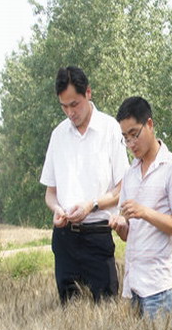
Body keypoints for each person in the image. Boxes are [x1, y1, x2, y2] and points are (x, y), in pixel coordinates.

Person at [40, 66, 130, 303]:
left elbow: (123, 188)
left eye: (75, 104)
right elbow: (50, 193)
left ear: (88, 93)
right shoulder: (58, 135)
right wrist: (57, 209)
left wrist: (91, 205)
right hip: (64, 240)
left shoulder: (111, 129)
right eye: (64, 106)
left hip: (97, 235)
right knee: (70, 314)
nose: (70, 112)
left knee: (107, 311)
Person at [111, 97, 172, 318]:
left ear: (150, 124)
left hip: (159, 289)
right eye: (125, 138)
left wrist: (144, 212)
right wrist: (121, 227)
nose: (131, 144)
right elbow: (130, 234)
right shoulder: (130, 174)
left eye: (134, 134)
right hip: (133, 287)